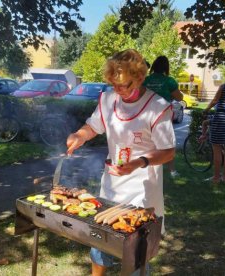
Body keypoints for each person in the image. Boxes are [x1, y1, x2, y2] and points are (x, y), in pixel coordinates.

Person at [66, 49, 175, 276]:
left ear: (140, 78)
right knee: (101, 242)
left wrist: (139, 162)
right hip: (113, 184)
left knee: (136, 250)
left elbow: (168, 152)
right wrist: (79, 135)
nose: (117, 89)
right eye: (113, 83)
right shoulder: (108, 100)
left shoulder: (157, 107)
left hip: (142, 187)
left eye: (123, 84)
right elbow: (93, 126)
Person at [143, 56, 183, 178]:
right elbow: (179, 98)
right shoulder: (169, 81)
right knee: (167, 143)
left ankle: (146, 166)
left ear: (153, 66)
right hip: (162, 116)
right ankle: (172, 171)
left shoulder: (145, 79)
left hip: (144, 114)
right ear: (166, 67)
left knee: (146, 142)